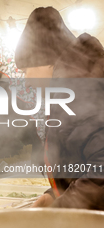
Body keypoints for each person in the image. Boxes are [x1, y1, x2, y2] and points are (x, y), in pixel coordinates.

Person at [15, 6, 104, 209]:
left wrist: (60, 211)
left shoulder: (78, 92)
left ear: (47, 62)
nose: (26, 81)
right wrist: (54, 195)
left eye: (27, 69)